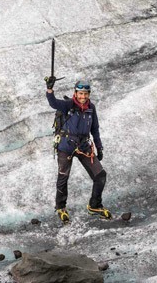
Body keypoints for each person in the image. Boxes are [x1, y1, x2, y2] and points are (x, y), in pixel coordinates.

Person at [45, 77, 111, 224]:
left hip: (83, 146)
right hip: (66, 147)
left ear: (89, 94)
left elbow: (95, 129)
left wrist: (99, 147)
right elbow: (53, 103)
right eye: (80, 93)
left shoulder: (91, 108)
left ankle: (94, 205)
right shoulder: (68, 105)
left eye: (85, 93)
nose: (83, 96)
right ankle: (60, 207)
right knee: (63, 177)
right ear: (75, 93)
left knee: (100, 175)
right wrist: (50, 90)